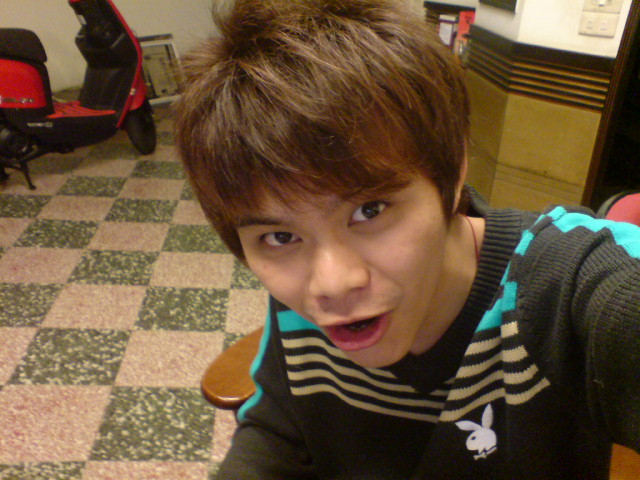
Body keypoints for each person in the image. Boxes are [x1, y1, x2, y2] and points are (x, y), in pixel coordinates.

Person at [173, 0, 640, 478]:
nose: (331, 284)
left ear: (453, 172)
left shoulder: (561, 288)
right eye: (279, 235)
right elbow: (280, 428)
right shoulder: (300, 299)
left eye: (370, 210)